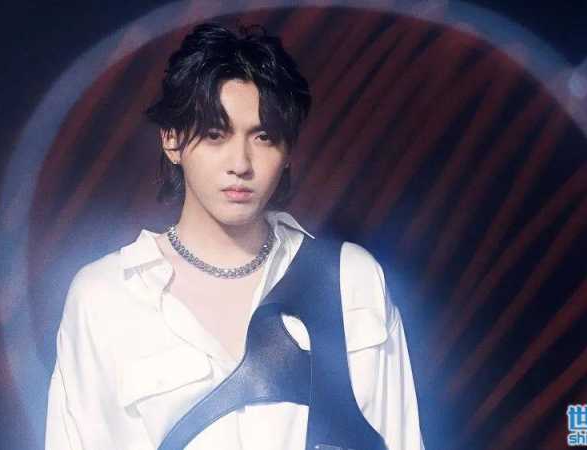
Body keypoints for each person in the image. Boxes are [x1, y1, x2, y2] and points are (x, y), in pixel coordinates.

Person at [45, 22, 425, 450]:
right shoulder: (105, 295)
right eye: (215, 134)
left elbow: (401, 438)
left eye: (263, 137)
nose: (240, 164)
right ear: (171, 140)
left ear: (287, 150)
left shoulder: (349, 279)